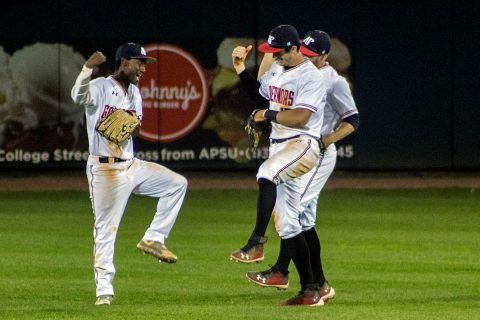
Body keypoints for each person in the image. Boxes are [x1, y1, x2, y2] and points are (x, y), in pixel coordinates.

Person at [244, 30, 360, 303]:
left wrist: (326, 140)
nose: (306, 56)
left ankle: (283, 272)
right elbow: (265, 87)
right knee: (302, 219)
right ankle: (319, 284)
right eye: (304, 51)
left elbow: (353, 120)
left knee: (291, 215)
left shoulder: (333, 81)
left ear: (324, 56)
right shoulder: (297, 72)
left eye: (311, 54)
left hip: (316, 152)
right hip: (296, 148)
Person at [71, 43, 188, 306]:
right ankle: (104, 291)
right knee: (105, 230)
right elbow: (78, 97)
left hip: (131, 164)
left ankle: (154, 238)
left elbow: (135, 126)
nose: (144, 68)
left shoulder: (135, 92)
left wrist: (129, 127)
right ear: (124, 62)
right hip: (104, 169)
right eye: (140, 62)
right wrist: (87, 68)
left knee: (177, 184)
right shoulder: (100, 86)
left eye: (145, 63)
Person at [230, 25, 327, 306]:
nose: (275, 56)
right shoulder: (277, 70)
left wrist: (267, 113)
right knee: (288, 224)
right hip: (280, 146)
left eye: (279, 52)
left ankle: (257, 242)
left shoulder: (311, 76)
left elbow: (300, 119)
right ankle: (310, 290)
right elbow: (262, 98)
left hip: (302, 144)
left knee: (266, 172)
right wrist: (240, 70)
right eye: (271, 52)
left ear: (295, 48)